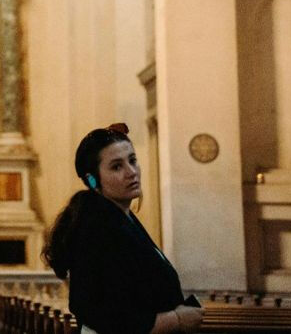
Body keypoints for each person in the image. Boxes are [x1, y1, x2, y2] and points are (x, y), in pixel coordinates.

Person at [42, 124, 203, 334]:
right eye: (117, 167)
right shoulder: (97, 229)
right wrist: (177, 319)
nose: (131, 172)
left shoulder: (117, 218)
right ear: (92, 180)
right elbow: (103, 314)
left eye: (133, 160)